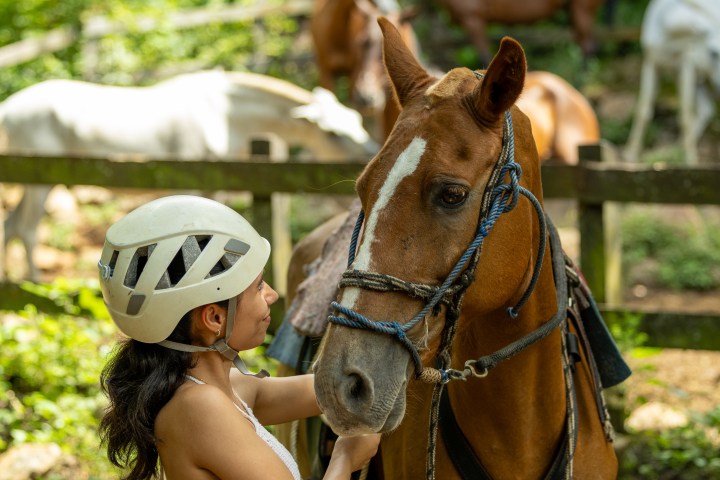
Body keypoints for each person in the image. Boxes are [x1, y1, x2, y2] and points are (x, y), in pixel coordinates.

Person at [98, 195, 380, 480]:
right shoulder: (200, 408)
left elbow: (328, 390)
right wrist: (345, 458)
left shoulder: (221, 387)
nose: (272, 295)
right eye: (258, 288)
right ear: (215, 318)